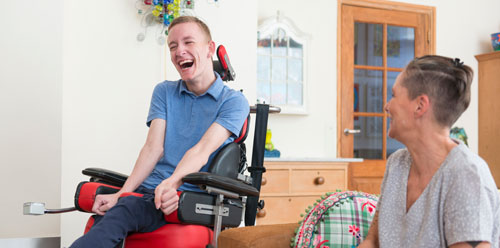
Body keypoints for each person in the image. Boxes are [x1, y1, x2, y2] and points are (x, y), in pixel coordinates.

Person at [70, 16, 249, 247]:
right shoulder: (164, 92)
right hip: (151, 193)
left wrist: (172, 183)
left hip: (188, 197)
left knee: (123, 212)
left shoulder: (234, 102)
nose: (179, 51)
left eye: (188, 42)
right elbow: (153, 148)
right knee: (117, 209)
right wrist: (121, 194)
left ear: (209, 49)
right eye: (173, 46)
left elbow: (202, 150)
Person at [359, 55, 500, 248]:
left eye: (393, 95)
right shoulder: (397, 164)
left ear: (420, 105)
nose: (387, 106)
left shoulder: (466, 175)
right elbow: (372, 242)